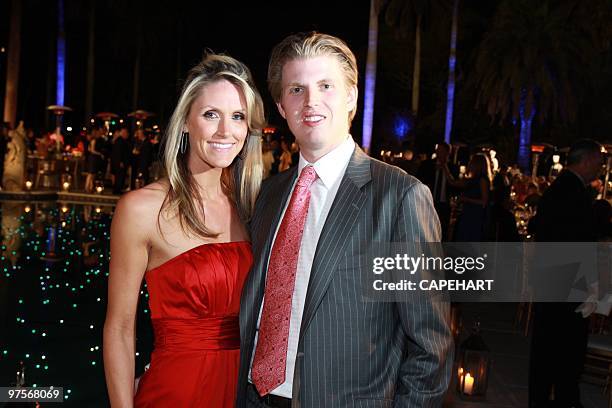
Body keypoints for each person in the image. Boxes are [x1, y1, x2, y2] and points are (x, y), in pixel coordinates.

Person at [237, 32, 453, 408]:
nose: (311, 102)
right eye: (296, 90)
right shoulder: (270, 195)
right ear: (281, 106)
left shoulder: (400, 197)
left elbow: (430, 347)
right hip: (257, 398)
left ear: (352, 96)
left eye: (326, 86)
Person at [103, 53, 264, 407]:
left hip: (246, 392)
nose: (226, 131)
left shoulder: (255, 207)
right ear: (187, 122)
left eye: (237, 117)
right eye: (211, 115)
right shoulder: (141, 209)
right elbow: (119, 327)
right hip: (177, 391)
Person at [529, 139, 603, 408]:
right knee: (566, 352)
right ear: (585, 161)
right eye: (598, 161)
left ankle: (548, 398)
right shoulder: (574, 194)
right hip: (569, 283)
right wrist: (591, 286)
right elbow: (582, 244)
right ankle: (564, 399)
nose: (600, 167)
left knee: (548, 349)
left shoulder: (559, 189)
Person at [445, 153, 492, 242]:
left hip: (475, 216)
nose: (469, 164)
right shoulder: (472, 180)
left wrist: (465, 199)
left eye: (472, 162)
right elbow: (452, 182)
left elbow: (484, 201)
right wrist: (444, 166)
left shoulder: (482, 180)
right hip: (467, 213)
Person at [416, 142, 456, 241]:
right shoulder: (427, 164)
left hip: (444, 204)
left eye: (442, 151)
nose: (439, 153)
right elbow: (418, 180)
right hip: (429, 202)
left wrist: (444, 167)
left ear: (448, 153)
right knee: (427, 229)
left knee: (443, 230)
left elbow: (454, 184)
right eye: (438, 150)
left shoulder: (453, 167)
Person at [110, 127, 131, 195]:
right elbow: (118, 153)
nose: (127, 135)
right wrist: (120, 161)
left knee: (120, 177)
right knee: (119, 177)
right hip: (120, 163)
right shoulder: (120, 141)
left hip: (120, 162)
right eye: (126, 133)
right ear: (124, 133)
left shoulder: (121, 140)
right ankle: (117, 190)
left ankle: (118, 190)